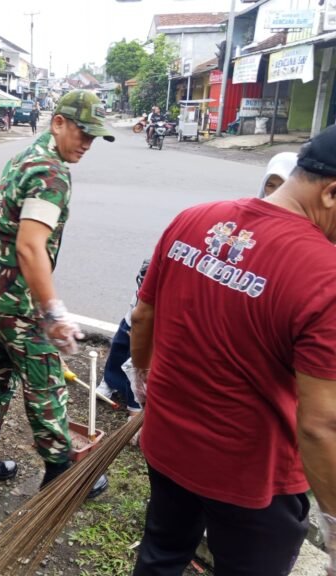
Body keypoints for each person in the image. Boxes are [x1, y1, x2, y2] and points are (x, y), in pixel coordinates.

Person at [129, 126, 336, 575]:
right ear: (332, 193)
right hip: (254, 474)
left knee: (162, 553)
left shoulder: (194, 218)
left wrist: (142, 381)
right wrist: (335, 527)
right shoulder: (327, 274)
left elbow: (142, 317)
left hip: (169, 441)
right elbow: (321, 425)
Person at [0, 90, 115, 493]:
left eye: (94, 138)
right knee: (46, 383)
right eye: (82, 132)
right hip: (17, 303)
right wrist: (53, 311)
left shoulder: (25, 157)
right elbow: (30, 246)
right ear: (58, 122)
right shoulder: (51, 172)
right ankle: (60, 474)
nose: (86, 144)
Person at [96, 258, 149, 418]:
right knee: (117, 353)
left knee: (135, 367)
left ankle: (135, 404)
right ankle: (109, 381)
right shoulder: (142, 289)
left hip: (148, 332)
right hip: (131, 322)